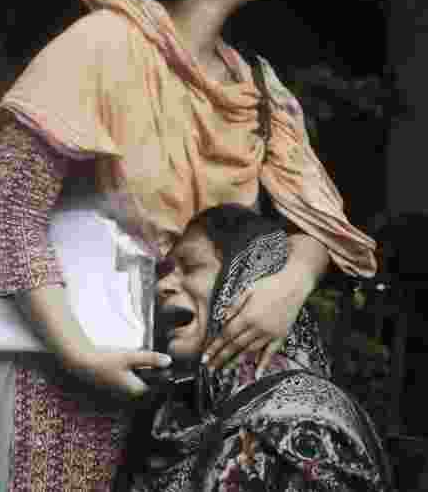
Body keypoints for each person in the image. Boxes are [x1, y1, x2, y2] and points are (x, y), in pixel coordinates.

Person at [0, 0, 381, 492]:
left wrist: (290, 285)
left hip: (188, 395)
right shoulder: (102, 47)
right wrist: (81, 354)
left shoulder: (256, 84)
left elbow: (318, 219)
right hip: (62, 378)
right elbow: (8, 212)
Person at [119, 204, 393, 491]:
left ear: (246, 281)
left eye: (190, 267)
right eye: (166, 271)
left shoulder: (307, 423)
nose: (162, 285)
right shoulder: (175, 418)